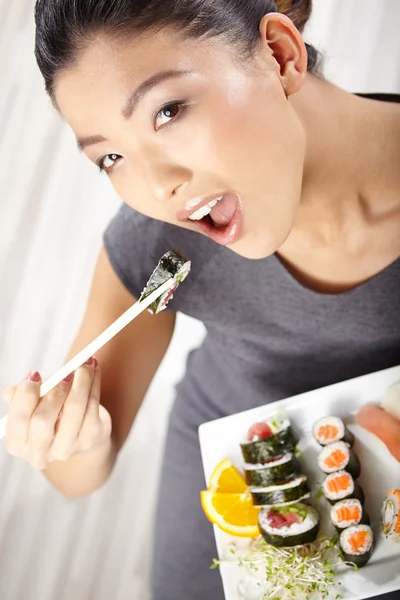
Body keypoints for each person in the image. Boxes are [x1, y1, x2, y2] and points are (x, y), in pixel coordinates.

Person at [3, 0, 400, 598]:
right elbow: (79, 476)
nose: (157, 185)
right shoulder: (161, 241)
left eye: (167, 111)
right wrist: (73, 442)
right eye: (111, 157)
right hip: (235, 478)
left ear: (280, 55)